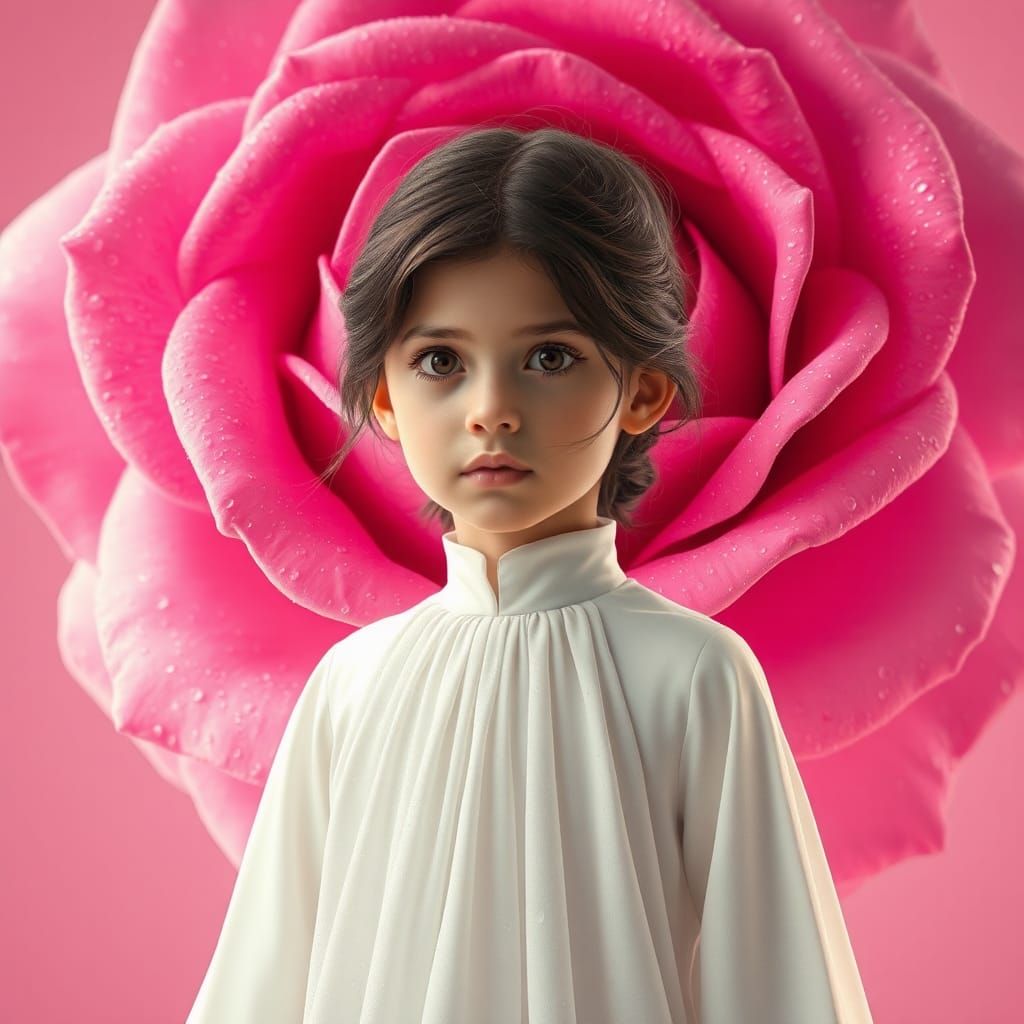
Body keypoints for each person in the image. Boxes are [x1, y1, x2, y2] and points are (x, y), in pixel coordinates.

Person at [186, 124, 874, 1023]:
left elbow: (777, 986)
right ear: (385, 398)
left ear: (643, 391)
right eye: (441, 362)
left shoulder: (696, 676)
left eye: (550, 358)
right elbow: (264, 983)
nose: (491, 411)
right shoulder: (350, 688)